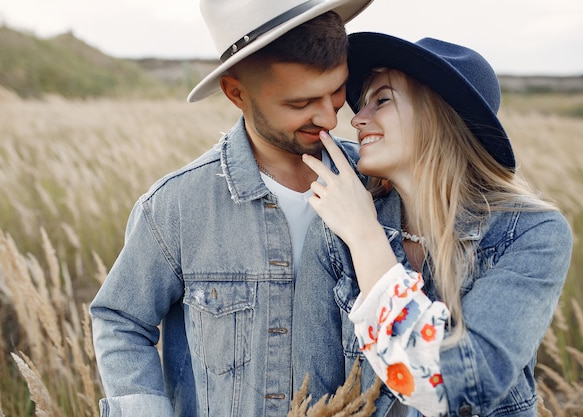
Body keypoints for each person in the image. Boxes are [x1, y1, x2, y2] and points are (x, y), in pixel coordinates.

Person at [88, 1, 376, 416]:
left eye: (337, 92)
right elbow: (120, 320)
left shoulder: (380, 185)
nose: (330, 118)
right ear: (236, 93)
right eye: (301, 104)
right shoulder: (176, 206)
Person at [299, 32, 573, 417]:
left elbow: (460, 385)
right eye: (362, 105)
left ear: (439, 114)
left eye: (382, 100)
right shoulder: (333, 236)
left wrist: (366, 238)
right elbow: (316, 400)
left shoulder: (531, 234)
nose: (358, 119)